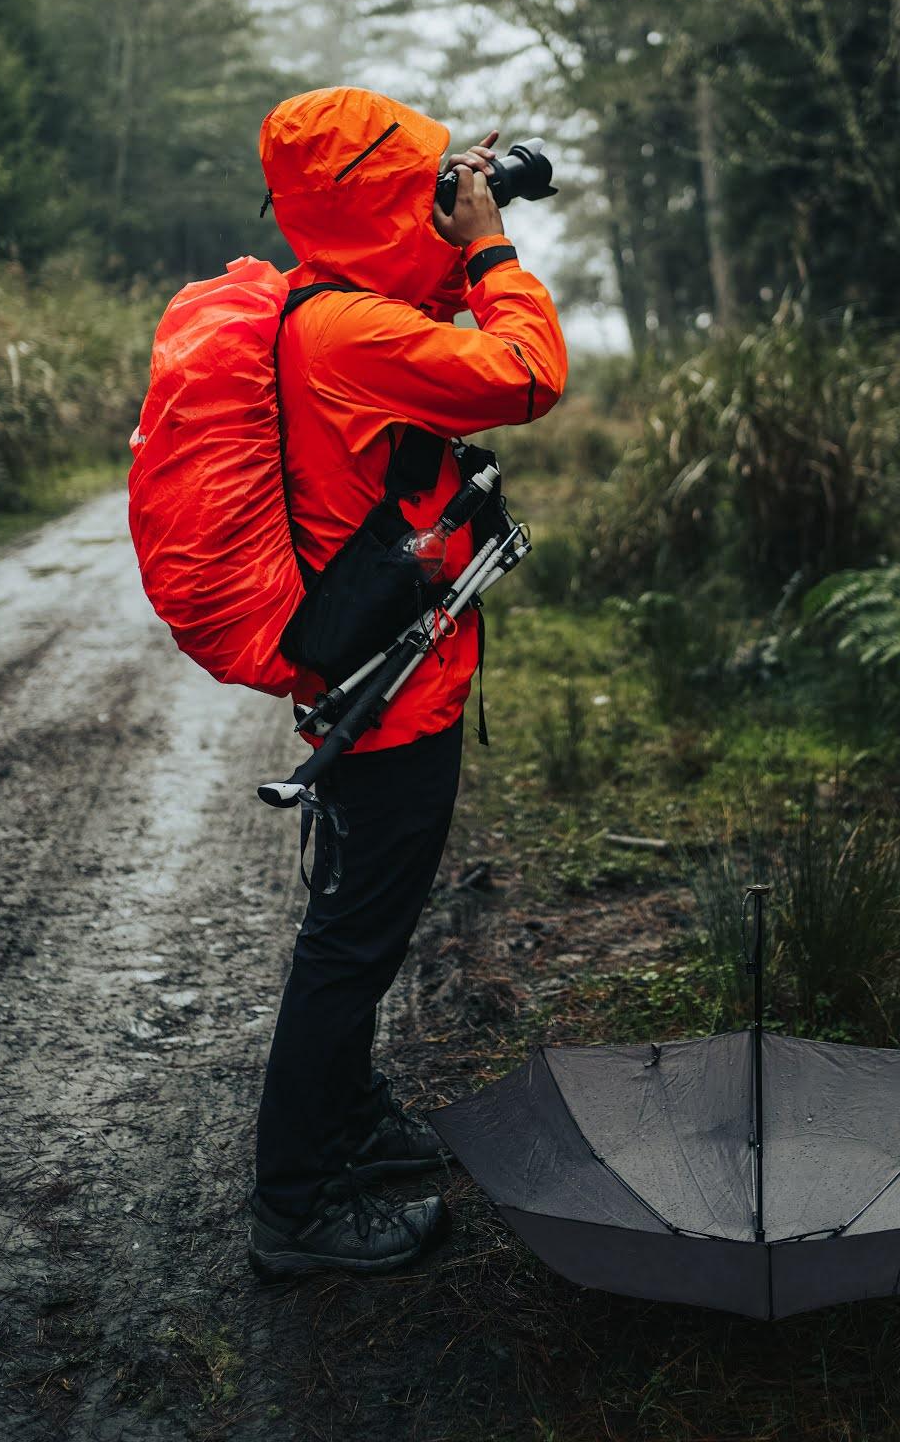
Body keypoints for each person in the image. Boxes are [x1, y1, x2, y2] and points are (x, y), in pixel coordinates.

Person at [247, 86, 568, 1282]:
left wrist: (446, 220)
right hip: (394, 692)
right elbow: (528, 371)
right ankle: (295, 1204)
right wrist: (486, 241)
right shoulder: (354, 336)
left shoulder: (325, 308)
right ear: (374, 200)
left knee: (357, 927)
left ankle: (353, 1120)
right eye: (418, 180)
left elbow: (415, 318)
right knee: (352, 943)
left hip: (378, 675)